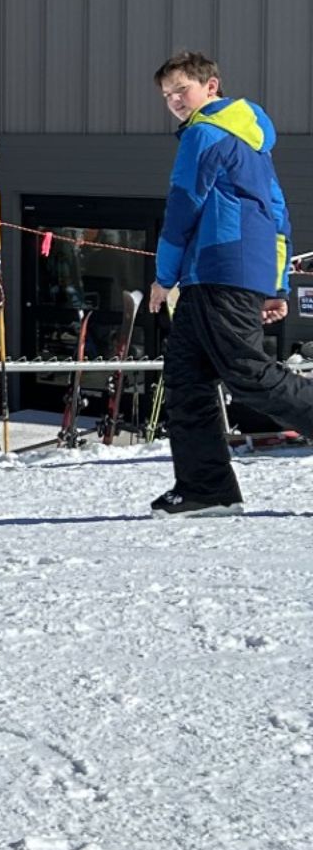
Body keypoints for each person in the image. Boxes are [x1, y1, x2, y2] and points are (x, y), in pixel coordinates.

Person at [149, 51, 313, 516]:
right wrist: (274, 285)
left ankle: (207, 486)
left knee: (248, 374)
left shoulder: (205, 132)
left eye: (182, 90)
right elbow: (279, 215)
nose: (175, 101)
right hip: (223, 273)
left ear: (211, 86)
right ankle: (206, 488)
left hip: (219, 269)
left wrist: (163, 278)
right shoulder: (254, 143)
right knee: (186, 380)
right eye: (167, 95)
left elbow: (182, 206)